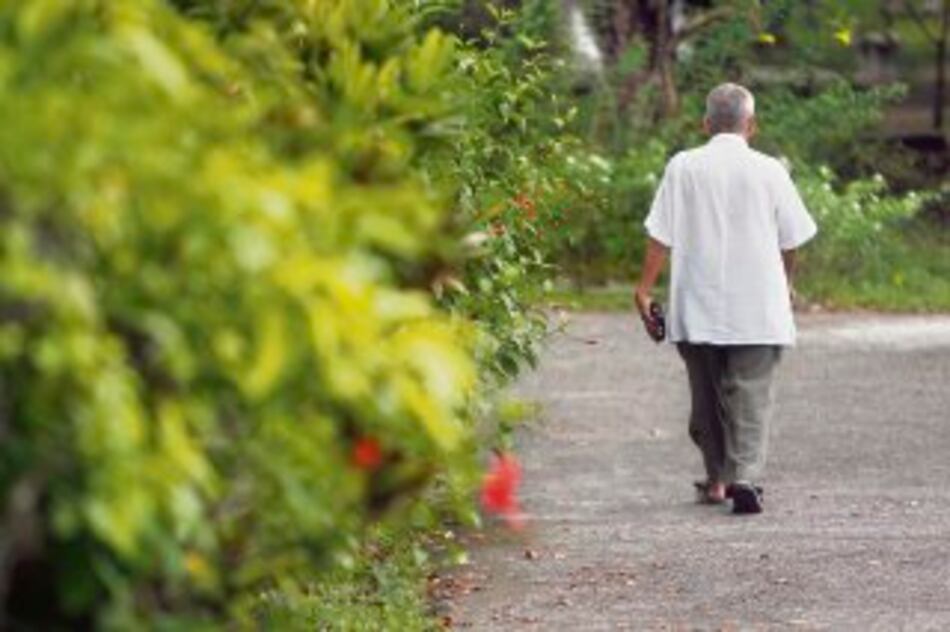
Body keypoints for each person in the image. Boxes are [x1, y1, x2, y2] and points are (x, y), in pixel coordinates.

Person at [634, 82, 817, 515]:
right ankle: (746, 477)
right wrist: (786, 281)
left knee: (707, 397)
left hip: (696, 305)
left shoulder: (683, 167)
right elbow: (792, 239)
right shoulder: (771, 170)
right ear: (750, 125)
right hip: (758, 306)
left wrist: (643, 289)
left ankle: (717, 479)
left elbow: (660, 235)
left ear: (705, 124)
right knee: (751, 393)